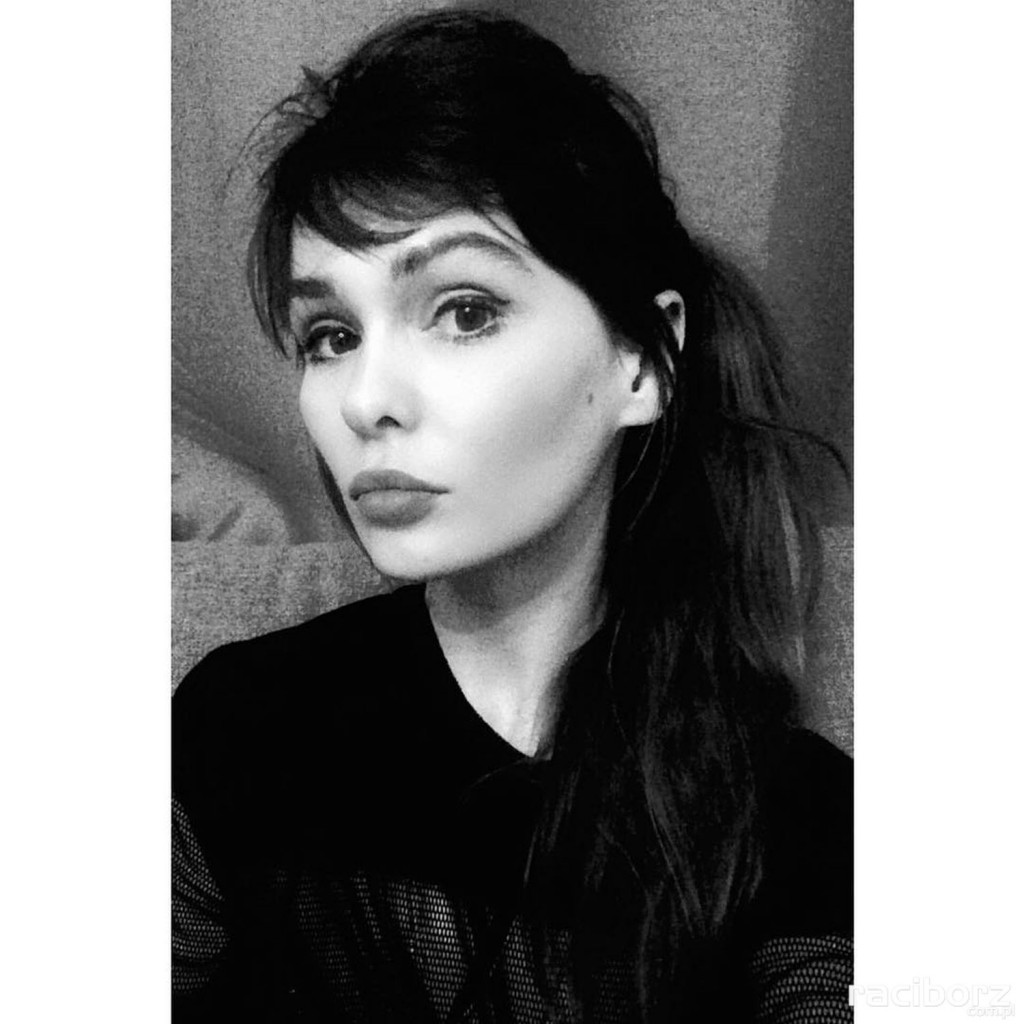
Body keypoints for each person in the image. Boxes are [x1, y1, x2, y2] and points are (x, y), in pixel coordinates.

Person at [173, 8, 852, 1022]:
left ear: (644, 361)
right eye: (329, 335)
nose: (365, 400)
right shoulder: (240, 725)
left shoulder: (794, 820)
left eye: (464, 311)